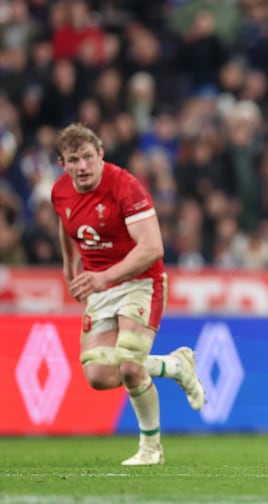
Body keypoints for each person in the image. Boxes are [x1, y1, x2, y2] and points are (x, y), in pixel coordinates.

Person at [51, 123, 206, 466]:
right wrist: (68, 264)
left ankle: (151, 449)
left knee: (131, 368)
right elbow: (67, 224)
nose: (83, 166)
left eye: (88, 157)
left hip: (139, 282)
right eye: (74, 160)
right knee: (98, 375)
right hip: (100, 286)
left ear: (101, 154)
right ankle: (175, 365)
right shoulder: (60, 191)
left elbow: (152, 247)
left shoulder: (125, 186)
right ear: (63, 164)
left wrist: (102, 277)